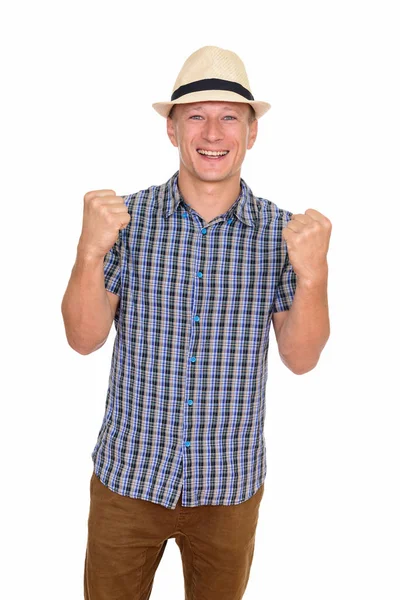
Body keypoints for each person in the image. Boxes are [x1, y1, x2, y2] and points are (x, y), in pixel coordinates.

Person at [61, 45, 332, 600]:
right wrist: (89, 250)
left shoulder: (282, 235)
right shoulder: (125, 223)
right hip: (127, 481)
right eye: (196, 116)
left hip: (228, 490)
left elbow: (301, 359)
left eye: (230, 116)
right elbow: (83, 339)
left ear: (252, 133)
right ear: (172, 130)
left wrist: (315, 276)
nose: (213, 132)